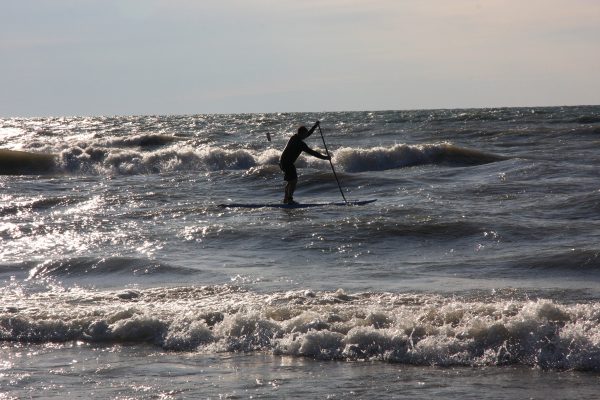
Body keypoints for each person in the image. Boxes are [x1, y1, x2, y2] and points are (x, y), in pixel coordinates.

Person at [279, 121, 331, 204]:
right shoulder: (300, 144)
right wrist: (325, 158)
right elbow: (313, 153)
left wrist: (315, 126)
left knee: (290, 181)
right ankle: (289, 199)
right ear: (301, 134)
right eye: (305, 134)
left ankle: (286, 199)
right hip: (287, 163)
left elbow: (308, 134)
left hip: (282, 162)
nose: (306, 136)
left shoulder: (294, 137)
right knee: (293, 181)